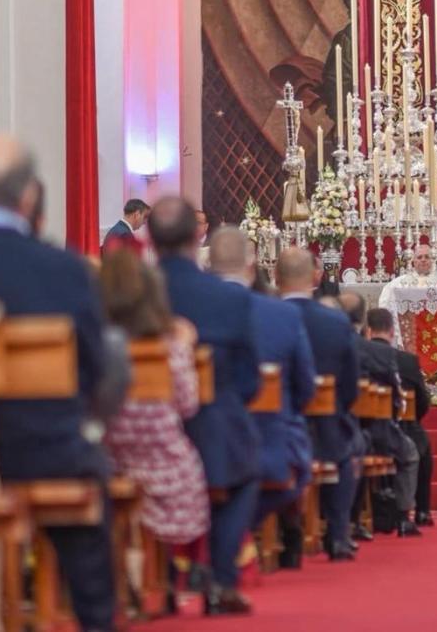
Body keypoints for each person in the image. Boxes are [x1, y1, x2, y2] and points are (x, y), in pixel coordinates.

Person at [0, 134, 117, 632]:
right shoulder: (65, 269)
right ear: (28, 197)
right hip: (43, 448)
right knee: (90, 495)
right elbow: (96, 369)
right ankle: (94, 617)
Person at [149, 196, 261, 615]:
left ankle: (159, 575)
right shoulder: (226, 298)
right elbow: (250, 377)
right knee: (245, 469)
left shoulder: (133, 290)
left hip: (141, 429)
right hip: (212, 429)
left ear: (150, 239)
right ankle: (219, 577)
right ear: (196, 237)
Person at [96, 251, 208, 609]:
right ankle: (166, 576)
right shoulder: (170, 347)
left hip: (110, 459)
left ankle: (126, 573)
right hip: (165, 463)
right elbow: (188, 404)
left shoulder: (96, 345)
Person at [207, 226, 316, 568]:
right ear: (252, 269)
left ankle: (216, 544)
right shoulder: (281, 314)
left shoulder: (185, 306)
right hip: (266, 445)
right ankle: (233, 537)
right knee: (287, 469)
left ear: (208, 267)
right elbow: (304, 386)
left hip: (199, 444)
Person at [276, 247, 362, 561]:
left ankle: (288, 532)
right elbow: (351, 382)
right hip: (326, 430)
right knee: (349, 445)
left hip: (275, 426)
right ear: (315, 276)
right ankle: (337, 534)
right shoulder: (335, 322)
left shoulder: (263, 315)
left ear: (276, 276)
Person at [341, 293, 421, 538]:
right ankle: (403, 515)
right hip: (378, 431)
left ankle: (351, 519)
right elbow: (396, 398)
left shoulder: (340, 347)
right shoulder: (382, 353)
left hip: (339, 428)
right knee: (410, 454)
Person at [367, 308, 435, 527]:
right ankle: (421, 510)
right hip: (402, 427)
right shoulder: (407, 361)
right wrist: (411, 420)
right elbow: (422, 401)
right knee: (420, 444)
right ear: (392, 331)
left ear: (368, 332)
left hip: (365, 429)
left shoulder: (358, 355)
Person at [380, 242, 437, 308]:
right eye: (419, 257)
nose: (423, 260)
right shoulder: (399, 283)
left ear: (432, 260)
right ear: (414, 261)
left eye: (427, 257)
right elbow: (385, 304)